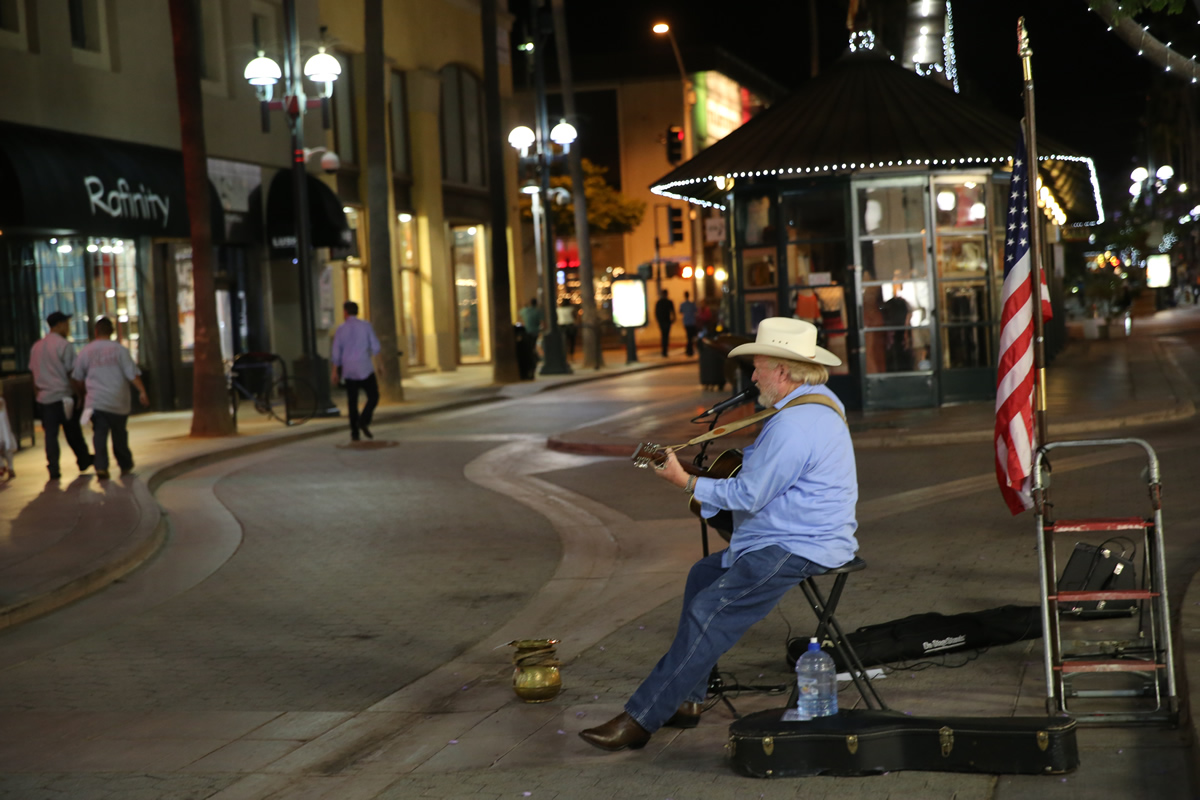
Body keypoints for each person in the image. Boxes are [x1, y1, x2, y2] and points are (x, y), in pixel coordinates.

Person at [579, 317, 858, 752]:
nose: (751, 375)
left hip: (801, 543)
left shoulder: (794, 424)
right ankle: (688, 700)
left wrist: (684, 482)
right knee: (702, 577)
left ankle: (641, 718)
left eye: (758, 366)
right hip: (791, 534)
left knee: (709, 609)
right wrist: (699, 478)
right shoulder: (814, 402)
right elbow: (762, 480)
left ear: (783, 370)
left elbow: (749, 492)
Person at [71, 317, 148, 480]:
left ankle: (101, 466)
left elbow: (77, 377)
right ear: (112, 332)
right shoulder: (120, 350)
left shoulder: (86, 351)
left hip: (96, 400)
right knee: (119, 434)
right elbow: (132, 374)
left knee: (99, 433)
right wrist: (142, 391)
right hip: (118, 400)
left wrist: (83, 394)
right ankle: (125, 463)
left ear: (96, 332)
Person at [29, 311, 93, 480]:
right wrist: (81, 394)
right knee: (72, 430)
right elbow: (72, 373)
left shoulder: (37, 346)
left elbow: (33, 375)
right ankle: (84, 459)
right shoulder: (64, 345)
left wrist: (37, 395)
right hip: (64, 396)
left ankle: (54, 468)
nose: (68, 327)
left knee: (50, 435)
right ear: (58, 325)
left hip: (45, 398)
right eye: (66, 323)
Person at [331, 301, 381, 442]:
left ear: (345, 312)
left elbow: (336, 352)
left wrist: (334, 372)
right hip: (364, 367)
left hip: (349, 370)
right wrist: (380, 365)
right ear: (357, 311)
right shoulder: (366, 326)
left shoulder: (340, 329)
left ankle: (354, 433)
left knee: (352, 402)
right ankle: (364, 419)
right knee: (374, 396)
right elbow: (375, 346)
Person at [519, 297, 544, 366]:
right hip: (535, 331)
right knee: (534, 345)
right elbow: (542, 322)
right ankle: (533, 357)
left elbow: (521, 317)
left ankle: (532, 357)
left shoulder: (524, 310)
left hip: (526, 331)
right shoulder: (538, 311)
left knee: (529, 345)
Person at [655, 290, 676, 357]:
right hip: (666, 321)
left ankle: (664, 351)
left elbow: (656, 313)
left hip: (663, 322)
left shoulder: (659, 302)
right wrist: (673, 319)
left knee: (664, 336)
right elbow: (673, 311)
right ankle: (665, 351)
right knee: (666, 336)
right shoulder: (668, 302)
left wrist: (659, 321)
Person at [679, 292, 698, 357]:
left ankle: (689, 350)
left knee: (689, 336)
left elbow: (681, 311)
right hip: (691, 322)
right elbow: (696, 310)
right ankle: (689, 350)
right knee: (690, 336)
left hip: (687, 322)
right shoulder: (692, 304)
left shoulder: (683, 304)